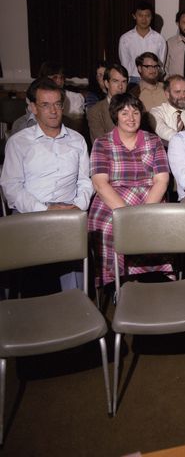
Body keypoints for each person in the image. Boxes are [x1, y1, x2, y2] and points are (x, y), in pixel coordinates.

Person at [1, 78, 93, 291]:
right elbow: (12, 188)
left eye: (57, 104)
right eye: (45, 105)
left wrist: (78, 206)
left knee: (74, 276)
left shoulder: (77, 140)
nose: (53, 111)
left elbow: (84, 181)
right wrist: (45, 210)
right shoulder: (19, 142)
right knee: (36, 281)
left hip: (70, 212)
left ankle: (74, 307)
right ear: (33, 107)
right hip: (31, 213)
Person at [88, 93, 170, 288]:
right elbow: (100, 184)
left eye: (135, 112)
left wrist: (144, 213)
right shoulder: (102, 143)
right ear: (115, 116)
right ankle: (117, 283)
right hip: (113, 199)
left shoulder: (153, 141)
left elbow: (161, 180)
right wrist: (127, 215)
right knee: (110, 228)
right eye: (124, 113)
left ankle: (152, 279)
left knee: (158, 226)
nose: (131, 118)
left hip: (150, 198)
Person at [118, 1, 166, 82]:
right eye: (140, 15)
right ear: (134, 16)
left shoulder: (159, 39)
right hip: (133, 79)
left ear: (151, 17)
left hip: (153, 80)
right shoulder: (125, 39)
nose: (144, 19)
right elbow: (124, 64)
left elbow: (161, 65)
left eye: (147, 15)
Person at [87, 63, 128, 143]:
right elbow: (101, 144)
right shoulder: (95, 111)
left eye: (124, 81)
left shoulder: (135, 107)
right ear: (106, 83)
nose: (120, 86)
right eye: (115, 81)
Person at [149, 75, 185, 144]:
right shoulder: (156, 112)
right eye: (177, 92)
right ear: (167, 94)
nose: (183, 96)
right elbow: (162, 130)